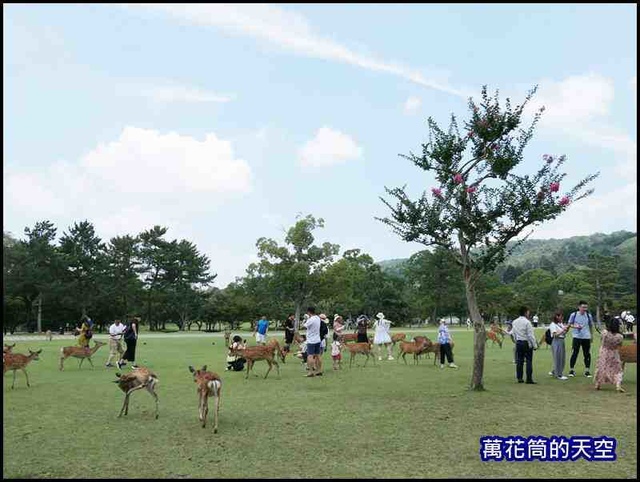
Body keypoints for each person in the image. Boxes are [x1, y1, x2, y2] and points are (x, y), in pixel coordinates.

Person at [594, 318, 625, 392]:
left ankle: (598, 384)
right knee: (617, 369)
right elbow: (620, 345)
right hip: (614, 352)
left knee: (601, 367)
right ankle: (618, 385)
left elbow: (602, 340)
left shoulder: (605, 333)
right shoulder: (620, 336)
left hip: (604, 352)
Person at [567, 301, 597, 378]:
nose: (584, 309)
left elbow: (590, 326)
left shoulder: (588, 315)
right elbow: (569, 324)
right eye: (583, 307)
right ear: (579, 307)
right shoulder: (574, 315)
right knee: (575, 353)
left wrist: (591, 336)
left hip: (586, 337)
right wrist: (576, 326)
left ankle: (587, 371)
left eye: (586, 307)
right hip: (577, 336)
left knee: (587, 354)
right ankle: (571, 370)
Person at [512, 306, 538, 384]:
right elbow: (530, 335)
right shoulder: (527, 322)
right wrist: (535, 345)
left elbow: (514, 333)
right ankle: (529, 378)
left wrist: (516, 341)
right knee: (529, 360)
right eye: (528, 312)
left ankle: (519, 378)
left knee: (519, 360)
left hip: (519, 342)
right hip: (526, 343)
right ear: (526, 312)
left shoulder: (514, 321)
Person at [548, 311, 569, 380]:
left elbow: (564, 332)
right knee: (558, 358)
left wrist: (567, 328)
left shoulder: (560, 324)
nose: (562, 318)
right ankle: (559, 375)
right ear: (557, 317)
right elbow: (555, 335)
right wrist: (563, 330)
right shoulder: (553, 324)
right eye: (561, 316)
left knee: (562, 358)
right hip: (556, 341)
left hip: (562, 341)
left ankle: (555, 371)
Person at [304, 307, 322, 377]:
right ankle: (319, 370)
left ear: (309, 312)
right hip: (317, 339)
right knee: (318, 355)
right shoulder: (317, 318)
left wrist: (306, 319)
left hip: (311, 340)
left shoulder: (310, 319)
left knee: (310, 356)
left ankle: (311, 372)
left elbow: (304, 326)